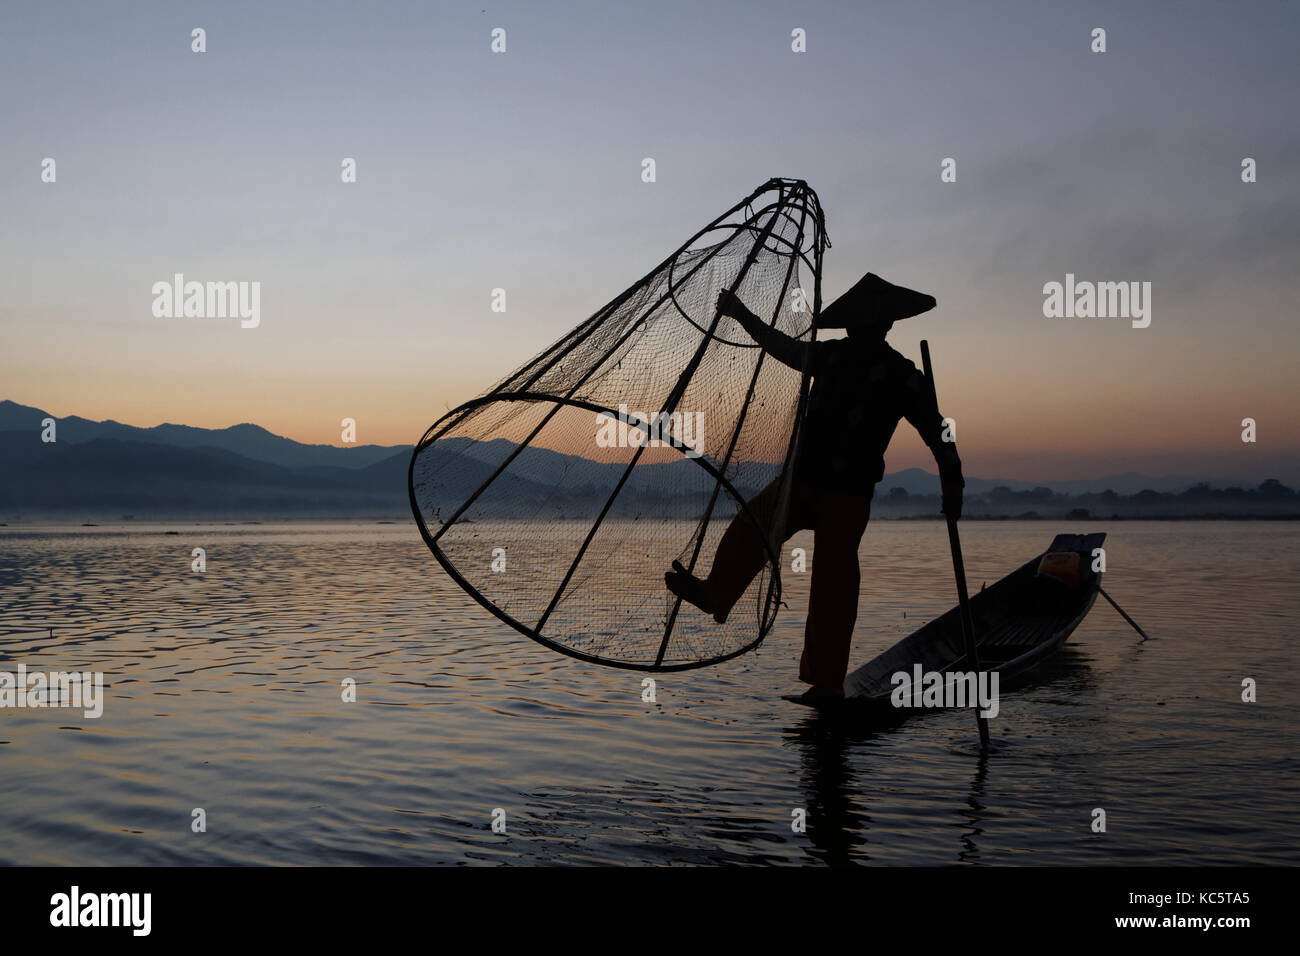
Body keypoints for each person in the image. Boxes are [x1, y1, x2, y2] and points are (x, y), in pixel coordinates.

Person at [664, 272, 964, 703]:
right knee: (753, 525)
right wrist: (741, 313)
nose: (862, 326)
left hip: (849, 492)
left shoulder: (902, 376)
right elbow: (783, 348)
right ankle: (716, 593)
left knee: (834, 578)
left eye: (869, 319)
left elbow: (940, 433)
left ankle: (825, 682)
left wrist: (953, 483)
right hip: (802, 480)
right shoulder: (833, 357)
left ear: (883, 324)